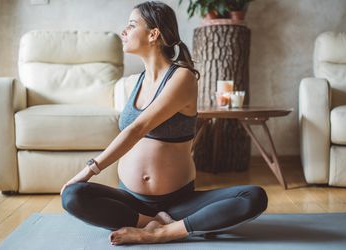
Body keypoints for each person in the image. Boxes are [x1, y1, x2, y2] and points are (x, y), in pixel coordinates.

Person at [60, 1, 268, 245]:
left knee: (253, 197)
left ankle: (162, 232)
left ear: (153, 34)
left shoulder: (182, 77)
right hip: (131, 200)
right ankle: (152, 220)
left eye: (131, 25)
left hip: (178, 202)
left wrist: (88, 170)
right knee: (73, 196)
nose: (123, 32)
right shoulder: (137, 81)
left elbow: (137, 129)